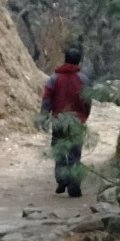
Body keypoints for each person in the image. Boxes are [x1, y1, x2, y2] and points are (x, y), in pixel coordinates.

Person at [40, 43, 91, 197]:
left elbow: (47, 99)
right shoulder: (84, 79)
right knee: (75, 153)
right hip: (77, 122)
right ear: (78, 61)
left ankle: (62, 179)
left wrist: (44, 116)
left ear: (65, 59)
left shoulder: (54, 78)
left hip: (59, 121)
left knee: (60, 151)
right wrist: (85, 115)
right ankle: (74, 185)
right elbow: (88, 100)